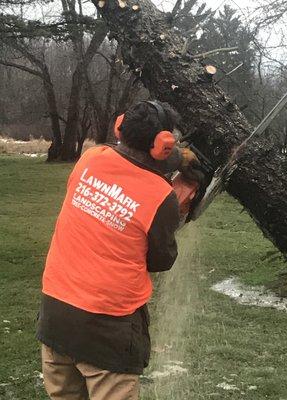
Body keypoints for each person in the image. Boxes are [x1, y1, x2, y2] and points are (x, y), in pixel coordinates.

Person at [37, 100, 198, 400]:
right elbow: (161, 260)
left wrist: (174, 159)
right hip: (108, 329)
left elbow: (128, 160)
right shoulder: (161, 196)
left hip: (56, 315)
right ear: (163, 144)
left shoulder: (90, 158)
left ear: (121, 126)